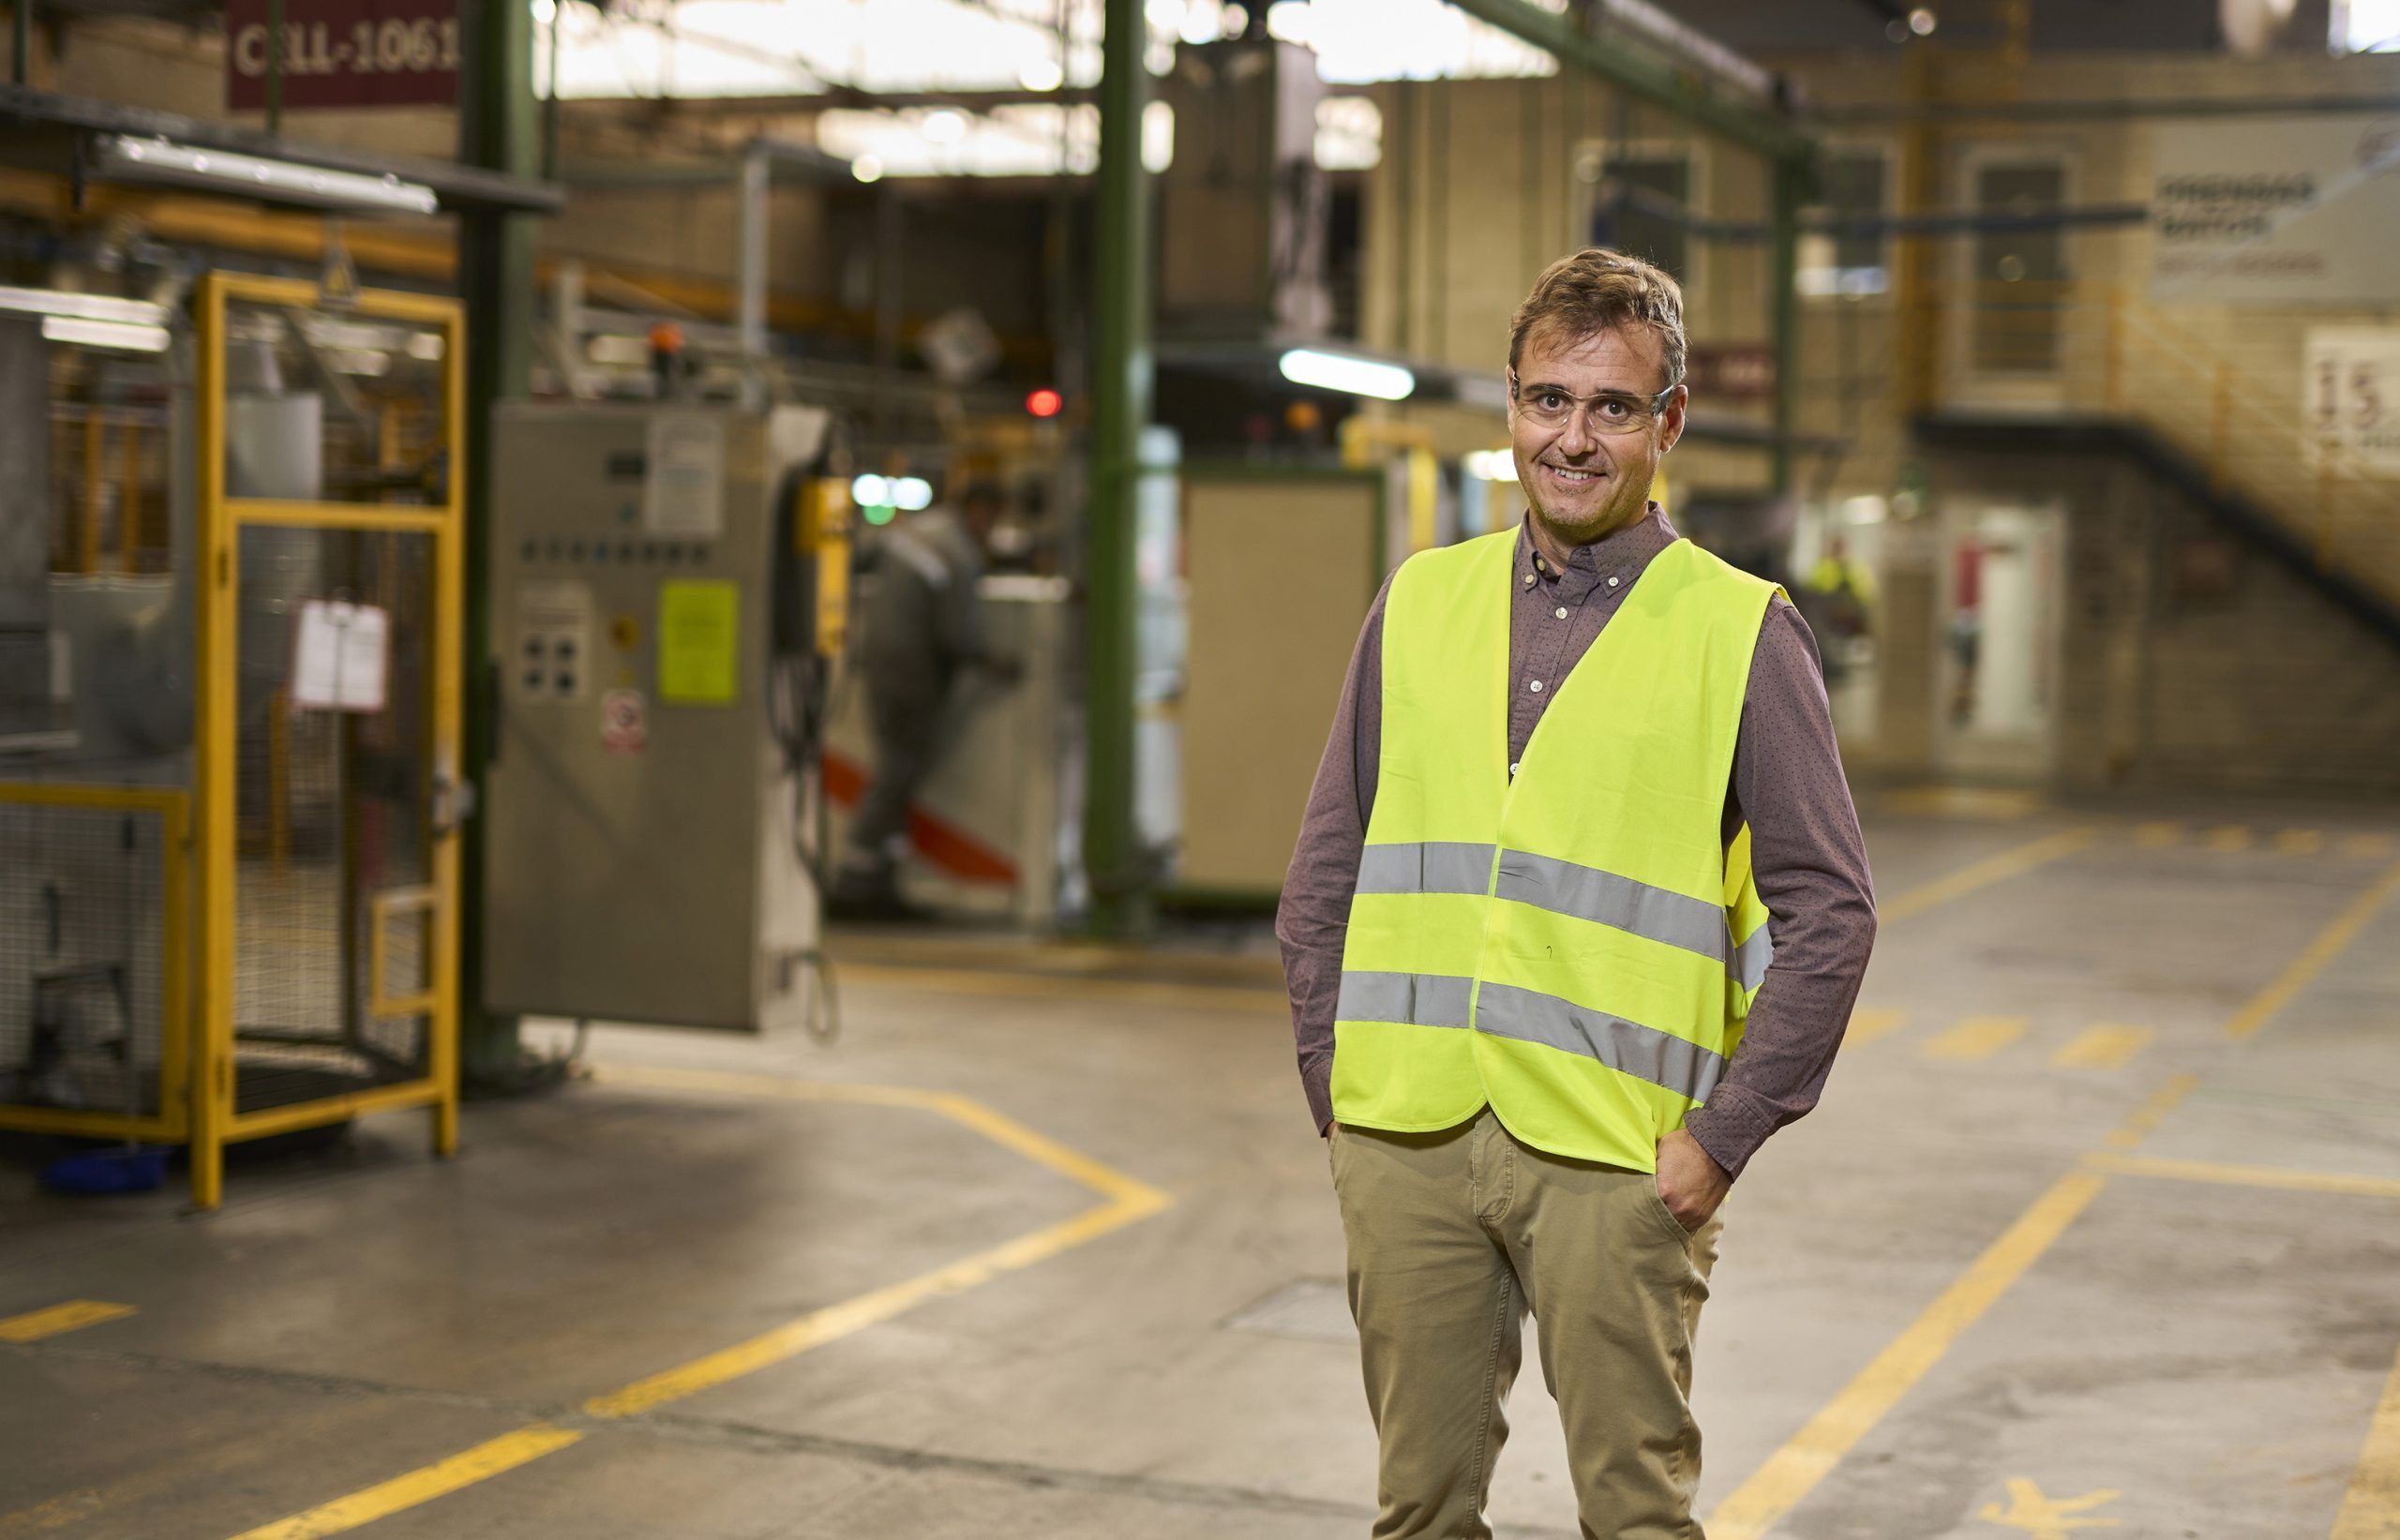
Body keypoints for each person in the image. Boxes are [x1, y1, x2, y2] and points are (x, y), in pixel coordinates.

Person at [1277, 247, 1878, 1538]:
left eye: (1613, 407)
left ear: (1668, 424)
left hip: (1615, 1155)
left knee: (1633, 1514)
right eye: (1549, 398)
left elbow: (1832, 909)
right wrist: (1337, 1078)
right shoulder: (1418, 600)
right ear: (1510, 408)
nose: (1574, 436)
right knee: (1420, 1511)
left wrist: (1722, 1136)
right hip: (1407, 1138)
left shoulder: (1741, 629)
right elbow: (1329, 858)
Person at [830, 481, 1011, 921]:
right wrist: (995, 662)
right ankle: (857, 875)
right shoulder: (958, 554)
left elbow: (858, 560)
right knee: (898, 772)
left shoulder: (916, 531)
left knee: (897, 770)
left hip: (879, 662)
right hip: (912, 675)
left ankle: (880, 874)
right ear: (979, 512)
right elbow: (957, 635)